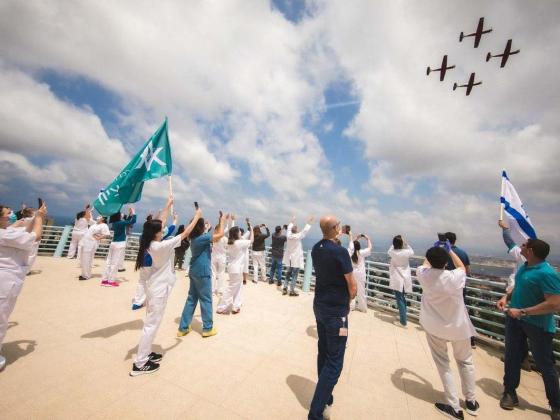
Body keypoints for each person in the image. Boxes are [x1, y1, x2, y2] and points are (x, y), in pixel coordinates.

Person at [130, 198, 200, 376]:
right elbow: (185, 234)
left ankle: (145, 353)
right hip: (158, 290)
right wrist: (197, 217)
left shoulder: (152, 243)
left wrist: (168, 205)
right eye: (161, 229)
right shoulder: (160, 246)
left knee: (152, 323)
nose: (163, 229)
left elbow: (161, 222)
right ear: (156, 233)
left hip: (156, 288)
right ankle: (139, 363)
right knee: (151, 325)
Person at [496, 238, 560, 419]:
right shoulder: (525, 267)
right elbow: (518, 287)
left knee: (545, 365)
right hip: (515, 321)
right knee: (512, 357)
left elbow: (555, 304)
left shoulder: (547, 273)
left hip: (538, 325)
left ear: (530, 251)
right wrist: (505, 298)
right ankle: (510, 393)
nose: (521, 246)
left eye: (524, 245)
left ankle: (556, 404)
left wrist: (523, 312)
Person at [416, 243, 479, 419]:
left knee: (443, 364)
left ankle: (453, 406)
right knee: (465, 362)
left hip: (435, 327)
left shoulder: (424, 275)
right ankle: (471, 402)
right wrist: (450, 251)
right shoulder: (455, 276)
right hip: (459, 327)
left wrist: (433, 251)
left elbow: (424, 264)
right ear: (445, 262)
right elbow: (461, 266)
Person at [308, 215, 356, 420]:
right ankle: (315, 413)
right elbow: (352, 285)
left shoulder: (316, 248)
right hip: (336, 312)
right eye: (338, 225)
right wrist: (349, 300)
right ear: (336, 229)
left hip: (320, 306)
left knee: (324, 350)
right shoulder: (341, 252)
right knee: (335, 362)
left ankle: (325, 396)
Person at [1, 201, 46, 371]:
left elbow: (24, 231)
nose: (11, 214)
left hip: (7, 278)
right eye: (7, 213)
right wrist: (40, 217)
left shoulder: (7, 232)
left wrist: (36, 216)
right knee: (1, 318)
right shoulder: (3, 234)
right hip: (5, 280)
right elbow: (35, 236)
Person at [177, 211, 226, 338]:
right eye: (204, 224)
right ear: (201, 227)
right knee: (206, 299)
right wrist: (222, 221)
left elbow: (208, 233)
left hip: (194, 270)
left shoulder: (193, 238)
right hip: (203, 272)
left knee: (191, 299)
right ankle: (208, 328)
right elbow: (220, 235)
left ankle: (183, 327)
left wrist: (208, 224)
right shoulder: (203, 238)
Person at [131, 202, 176, 310]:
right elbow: (165, 224)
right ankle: (148, 300)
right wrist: (172, 214)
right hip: (151, 262)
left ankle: (137, 302)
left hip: (142, 261)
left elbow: (159, 223)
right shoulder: (156, 238)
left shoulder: (143, 236)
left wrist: (165, 208)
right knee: (151, 282)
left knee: (142, 281)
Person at [217, 220, 254, 314]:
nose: (240, 232)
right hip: (237, 269)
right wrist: (252, 229)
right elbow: (252, 240)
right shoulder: (239, 243)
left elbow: (239, 238)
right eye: (239, 231)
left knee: (239, 287)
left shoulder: (230, 243)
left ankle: (236, 306)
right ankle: (221, 306)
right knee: (231, 288)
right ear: (236, 233)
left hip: (232, 268)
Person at [444, 232, 475, 349]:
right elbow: (467, 271)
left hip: (447, 287)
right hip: (460, 287)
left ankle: (449, 334)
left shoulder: (444, 253)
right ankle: (470, 339)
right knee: (462, 312)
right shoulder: (463, 253)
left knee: (448, 311)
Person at [102, 207, 136, 287]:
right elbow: (132, 221)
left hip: (113, 243)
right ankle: (111, 281)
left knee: (109, 262)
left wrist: (130, 214)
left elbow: (127, 221)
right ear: (119, 216)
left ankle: (105, 280)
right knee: (115, 263)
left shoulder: (115, 223)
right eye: (121, 214)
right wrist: (134, 212)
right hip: (119, 244)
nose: (122, 214)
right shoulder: (120, 223)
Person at [283, 216, 314, 296]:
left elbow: (289, 228)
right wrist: (309, 222)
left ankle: (285, 288)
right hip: (296, 259)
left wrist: (292, 221)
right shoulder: (298, 236)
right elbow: (305, 231)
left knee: (288, 273)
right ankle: (292, 290)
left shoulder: (288, 235)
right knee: (294, 275)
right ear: (296, 231)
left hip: (289, 258)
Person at [388, 235, 414, 327]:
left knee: (400, 299)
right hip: (405, 278)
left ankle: (403, 322)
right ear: (401, 243)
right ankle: (403, 318)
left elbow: (390, 249)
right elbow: (412, 251)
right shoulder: (406, 252)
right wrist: (405, 243)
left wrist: (395, 243)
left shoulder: (392, 252)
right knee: (402, 299)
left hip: (397, 279)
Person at [79, 216, 111, 280]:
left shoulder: (104, 225)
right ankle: (84, 274)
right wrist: (88, 210)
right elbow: (87, 218)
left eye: (99, 217)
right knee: (84, 259)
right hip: (85, 242)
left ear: (103, 219)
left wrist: (98, 238)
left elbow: (107, 234)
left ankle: (86, 276)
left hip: (91, 244)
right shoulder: (95, 224)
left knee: (87, 259)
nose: (97, 217)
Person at [347, 230, 372, 312]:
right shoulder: (361, 252)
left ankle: (351, 307)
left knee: (352, 290)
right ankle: (362, 308)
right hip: (361, 274)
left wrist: (357, 238)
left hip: (352, 273)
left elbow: (352, 245)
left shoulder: (350, 253)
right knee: (361, 291)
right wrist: (367, 239)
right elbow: (370, 248)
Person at [211, 214, 231, 295]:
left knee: (213, 274)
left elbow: (224, 229)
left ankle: (211, 290)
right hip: (222, 257)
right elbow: (226, 229)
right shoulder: (225, 239)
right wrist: (227, 220)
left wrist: (221, 220)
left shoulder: (213, 237)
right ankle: (220, 290)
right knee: (221, 274)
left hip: (213, 257)